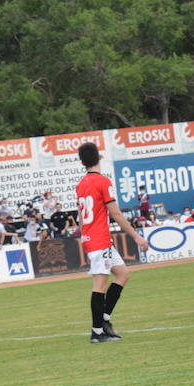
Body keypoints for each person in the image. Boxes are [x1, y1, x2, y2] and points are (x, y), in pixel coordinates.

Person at [76, 142, 148, 343]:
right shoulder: (103, 182)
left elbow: (80, 216)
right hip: (99, 240)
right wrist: (136, 236)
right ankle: (97, 332)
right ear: (99, 158)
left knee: (123, 274)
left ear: (82, 162)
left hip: (96, 239)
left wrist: (85, 234)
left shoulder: (81, 184)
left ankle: (104, 320)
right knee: (100, 284)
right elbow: (115, 213)